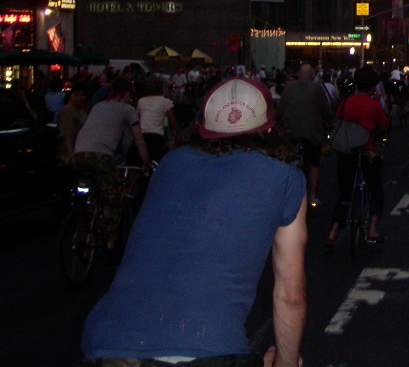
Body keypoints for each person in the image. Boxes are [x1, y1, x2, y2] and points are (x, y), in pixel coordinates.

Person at [79, 76, 307, 367]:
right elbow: (290, 295)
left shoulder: (170, 164)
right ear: (270, 127)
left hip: (107, 343)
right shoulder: (284, 177)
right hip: (204, 348)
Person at [73, 78, 151, 258]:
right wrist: (146, 161)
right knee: (114, 198)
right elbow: (138, 139)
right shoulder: (128, 110)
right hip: (101, 155)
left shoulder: (98, 106)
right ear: (127, 93)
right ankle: (110, 244)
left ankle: (88, 216)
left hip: (80, 153)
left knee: (96, 188)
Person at [326, 65, 390, 247]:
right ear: (372, 87)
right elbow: (384, 126)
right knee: (375, 190)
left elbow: (339, 120)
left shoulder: (347, 102)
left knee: (345, 194)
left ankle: (333, 232)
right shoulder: (373, 104)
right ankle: (372, 231)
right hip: (366, 151)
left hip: (346, 152)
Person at [276, 62, 334, 207]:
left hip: (290, 132)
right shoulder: (317, 89)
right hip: (312, 133)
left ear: (299, 74)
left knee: (287, 160)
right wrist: (329, 122)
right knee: (314, 162)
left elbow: (280, 111)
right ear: (312, 75)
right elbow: (326, 110)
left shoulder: (288, 88)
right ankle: (312, 196)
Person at [127, 78, 180, 162]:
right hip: (156, 136)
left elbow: (138, 119)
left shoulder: (141, 101)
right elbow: (173, 123)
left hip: (142, 135)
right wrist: (179, 136)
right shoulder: (166, 102)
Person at [57, 84, 88, 167]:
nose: (80, 97)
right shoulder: (68, 111)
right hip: (70, 155)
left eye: (82, 95)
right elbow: (67, 135)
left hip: (80, 152)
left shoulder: (82, 110)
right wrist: (71, 156)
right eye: (76, 95)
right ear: (70, 96)